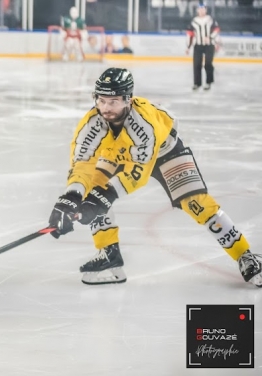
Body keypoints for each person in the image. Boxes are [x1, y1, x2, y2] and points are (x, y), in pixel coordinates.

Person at [47, 67, 262, 288]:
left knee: (198, 204)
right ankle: (109, 257)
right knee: (93, 189)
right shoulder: (92, 122)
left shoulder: (143, 124)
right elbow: (82, 165)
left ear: (127, 99)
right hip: (118, 153)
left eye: (112, 102)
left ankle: (245, 255)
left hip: (164, 152)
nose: (105, 108)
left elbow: (138, 173)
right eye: (101, 100)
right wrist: (70, 198)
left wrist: (102, 198)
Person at [186, 4, 219, 91]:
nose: (201, 11)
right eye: (199, 9)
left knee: (208, 63)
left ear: (206, 10)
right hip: (198, 45)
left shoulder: (210, 20)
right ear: (197, 10)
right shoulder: (194, 21)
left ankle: (208, 82)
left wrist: (210, 37)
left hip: (209, 45)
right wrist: (188, 47)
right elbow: (190, 34)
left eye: (203, 9)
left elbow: (216, 30)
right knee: (196, 64)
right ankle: (197, 83)